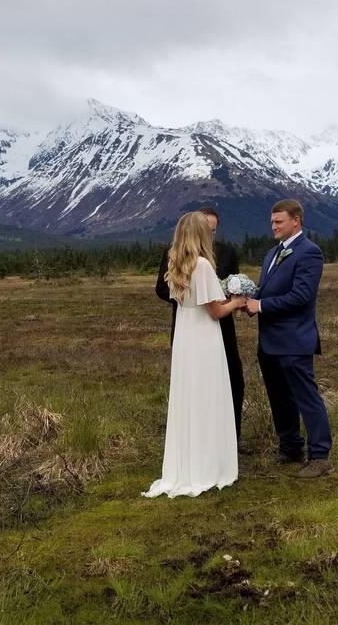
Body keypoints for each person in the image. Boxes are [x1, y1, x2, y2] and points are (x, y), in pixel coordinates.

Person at [143, 211, 247, 498]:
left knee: (189, 398)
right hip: (204, 337)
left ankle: (188, 462)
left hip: (185, 336)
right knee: (209, 397)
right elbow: (215, 310)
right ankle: (209, 464)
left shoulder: (177, 261)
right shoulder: (202, 265)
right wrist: (237, 301)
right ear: (200, 234)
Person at [245, 199, 334, 479]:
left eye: (279, 221)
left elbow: (301, 297)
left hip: (294, 341)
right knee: (279, 398)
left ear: (296, 221)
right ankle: (290, 447)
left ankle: (320, 456)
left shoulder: (309, 252)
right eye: (272, 221)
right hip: (269, 342)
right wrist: (245, 299)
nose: (273, 226)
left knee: (306, 398)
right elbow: (268, 290)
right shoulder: (271, 254)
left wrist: (259, 306)